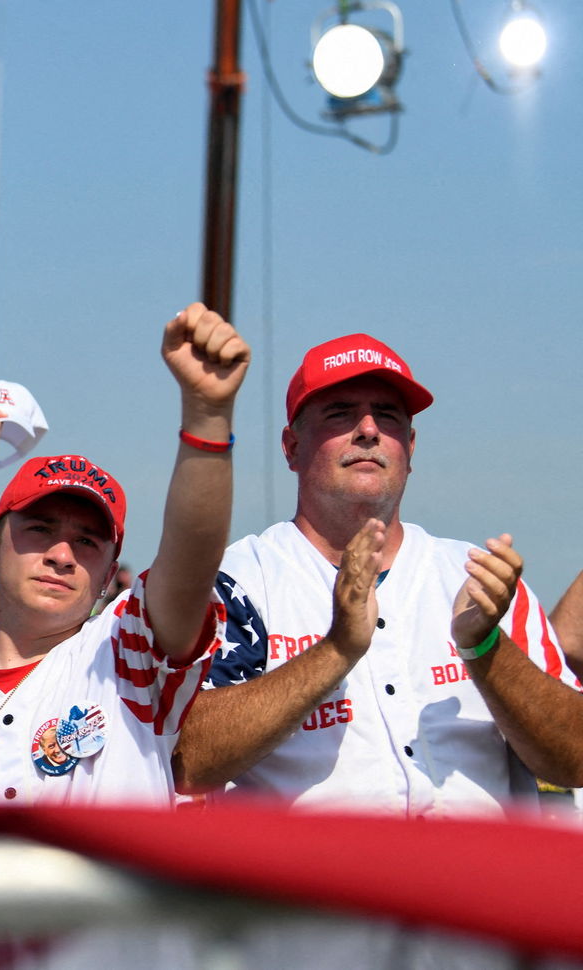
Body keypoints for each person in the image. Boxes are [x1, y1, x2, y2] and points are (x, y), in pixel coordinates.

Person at [172, 334, 583, 817]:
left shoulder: (479, 575)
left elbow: (572, 759)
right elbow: (188, 759)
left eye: (387, 416)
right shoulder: (238, 580)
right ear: (292, 447)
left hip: (475, 887)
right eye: (340, 412)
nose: (367, 429)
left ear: (409, 447)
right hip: (308, 891)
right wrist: (337, 650)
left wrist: (483, 647)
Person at [0, 304, 247, 808]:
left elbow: (189, 562)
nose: (62, 555)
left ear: (110, 574)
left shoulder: (126, 654)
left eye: (88, 542)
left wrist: (207, 418)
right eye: (40, 530)